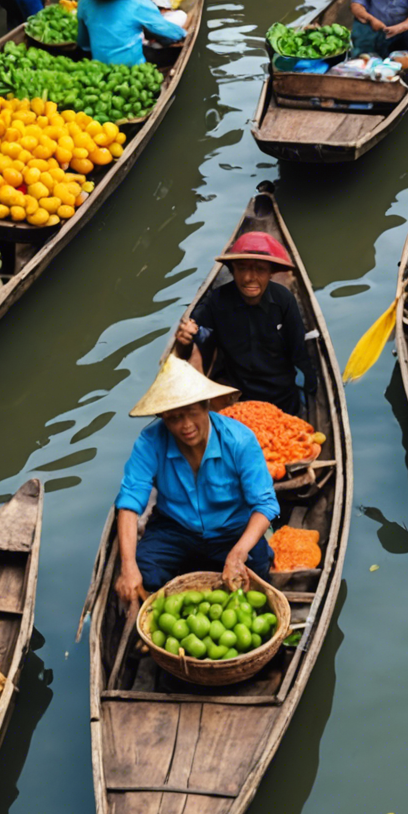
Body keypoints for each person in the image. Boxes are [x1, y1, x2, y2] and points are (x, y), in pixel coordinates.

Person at [113, 357, 280, 607]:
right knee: (142, 575)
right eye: (175, 418)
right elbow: (130, 502)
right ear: (163, 418)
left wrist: (238, 552)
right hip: (174, 530)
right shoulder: (150, 442)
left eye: (192, 413)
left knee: (257, 578)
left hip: (232, 532)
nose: (186, 426)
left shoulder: (240, 440)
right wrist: (128, 566)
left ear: (206, 407)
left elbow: (266, 504)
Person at [173, 231, 319, 418]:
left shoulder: (284, 301)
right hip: (239, 398)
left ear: (270, 273)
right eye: (242, 268)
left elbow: (299, 353)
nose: (250, 277)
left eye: (260, 269)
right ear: (232, 270)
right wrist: (184, 340)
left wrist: (312, 387)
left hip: (282, 398)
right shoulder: (216, 301)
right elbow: (193, 342)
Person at [72, 0, 186, 66]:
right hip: (132, 64)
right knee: (174, 53)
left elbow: (83, 41)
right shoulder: (138, 4)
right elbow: (165, 29)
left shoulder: (84, 2)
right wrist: (183, 34)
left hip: (100, 61)